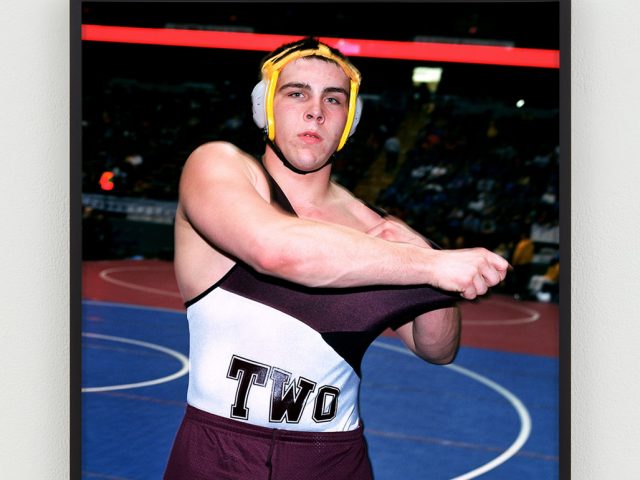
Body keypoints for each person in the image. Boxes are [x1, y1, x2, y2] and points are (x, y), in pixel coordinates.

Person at [164, 37, 509, 480]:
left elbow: (437, 347)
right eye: (296, 93)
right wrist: (432, 265)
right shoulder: (218, 167)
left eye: (334, 99)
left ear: (350, 120)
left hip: (333, 458)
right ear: (264, 107)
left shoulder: (376, 230)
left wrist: (420, 249)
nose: (315, 111)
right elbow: (277, 250)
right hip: (220, 451)